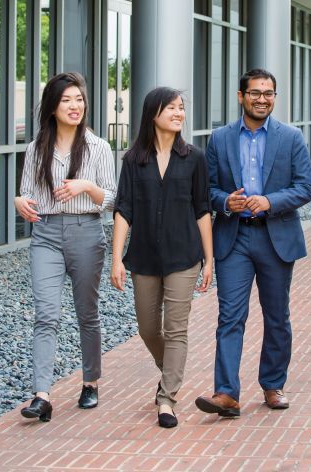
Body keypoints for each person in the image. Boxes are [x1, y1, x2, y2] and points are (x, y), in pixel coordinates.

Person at [195, 69, 311, 417]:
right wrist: (223, 202)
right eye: (255, 92)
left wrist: (270, 201)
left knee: (277, 316)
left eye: (269, 93)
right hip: (234, 237)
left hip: (276, 236)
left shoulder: (291, 138)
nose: (262, 98)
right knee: (230, 316)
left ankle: (273, 385)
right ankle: (226, 393)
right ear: (240, 96)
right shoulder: (219, 139)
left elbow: (306, 187)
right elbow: (208, 188)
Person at [15, 72, 116, 422]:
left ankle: (91, 382)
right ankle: (41, 394)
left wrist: (87, 186)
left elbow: (114, 200)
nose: (75, 106)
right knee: (46, 315)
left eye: (79, 100)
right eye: (66, 100)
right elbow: (27, 191)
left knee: (87, 313)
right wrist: (20, 201)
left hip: (87, 233)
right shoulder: (35, 148)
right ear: (53, 107)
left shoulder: (99, 147)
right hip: (45, 234)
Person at [111, 87, 213, 428]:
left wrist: (209, 259)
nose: (178, 113)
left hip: (184, 255)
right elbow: (123, 209)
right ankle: (169, 371)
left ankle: (167, 397)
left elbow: (202, 209)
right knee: (148, 328)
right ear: (152, 113)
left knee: (176, 328)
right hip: (144, 256)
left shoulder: (195, 157)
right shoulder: (133, 159)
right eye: (171, 107)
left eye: (181, 108)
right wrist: (116, 259)